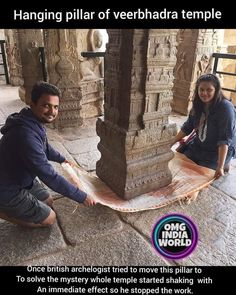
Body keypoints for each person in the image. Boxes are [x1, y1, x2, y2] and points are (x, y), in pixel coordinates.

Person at [0, 81, 96, 228]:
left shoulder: (31, 121)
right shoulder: (26, 136)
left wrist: (61, 158)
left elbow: (44, 146)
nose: (52, 111)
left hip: (19, 177)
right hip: (6, 186)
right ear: (32, 104)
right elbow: (49, 175)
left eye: (55, 107)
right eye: (46, 105)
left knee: (48, 200)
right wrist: (81, 196)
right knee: (49, 219)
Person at [171, 73, 236, 179]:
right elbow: (188, 127)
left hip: (218, 150)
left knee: (200, 175)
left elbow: (224, 139)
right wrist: (171, 142)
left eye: (209, 90)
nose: (204, 93)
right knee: (180, 165)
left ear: (216, 90)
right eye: (201, 89)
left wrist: (219, 166)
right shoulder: (198, 104)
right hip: (200, 145)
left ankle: (225, 162)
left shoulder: (225, 108)